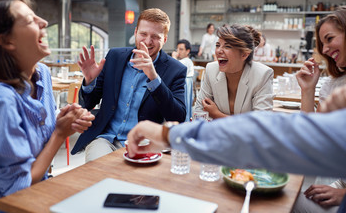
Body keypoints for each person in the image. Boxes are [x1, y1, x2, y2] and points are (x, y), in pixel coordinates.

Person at [0, 0, 94, 213]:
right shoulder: (0, 100)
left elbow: (33, 132)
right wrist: (59, 134)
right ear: (6, 41)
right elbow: (15, 192)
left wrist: (63, 120)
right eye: (29, 20)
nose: (44, 22)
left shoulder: (42, 74)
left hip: (42, 193)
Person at [126, 84, 346, 177]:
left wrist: (167, 134)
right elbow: (199, 109)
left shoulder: (260, 75)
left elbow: (262, 132)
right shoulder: (213, 70)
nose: (219, 50)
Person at [71, 8, 187, 162]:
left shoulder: (176, 70)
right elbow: (88, 103)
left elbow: (178, 117)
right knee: (99, 171)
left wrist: (153, 77)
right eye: (143, 34)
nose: (147, 41)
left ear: (164, 39)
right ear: (136, 32)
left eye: (155, 37)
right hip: (105, 138)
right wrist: (90, 81)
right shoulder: (115, 57)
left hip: (144, 144)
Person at [294, 6, 346, 213]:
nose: (324, 50)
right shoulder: (332, 85)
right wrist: (308, 91)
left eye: (329, 38)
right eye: (322, 43)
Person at [194, 24, 274, 119]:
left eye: (227, 46)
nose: (219, 51)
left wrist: (217, 115)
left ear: (244, 54)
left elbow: (261, 124)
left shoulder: (262, 75)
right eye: (217, 45)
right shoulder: (211, 70)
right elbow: (199, 113)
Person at [172, 39, 194, 121]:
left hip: (185, 87)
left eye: (181, 49)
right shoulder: (182, 61)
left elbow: (175, 66)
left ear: (188, 51)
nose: (178, 51)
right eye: (177, 49)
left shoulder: (187, 61)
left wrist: (174, 56)